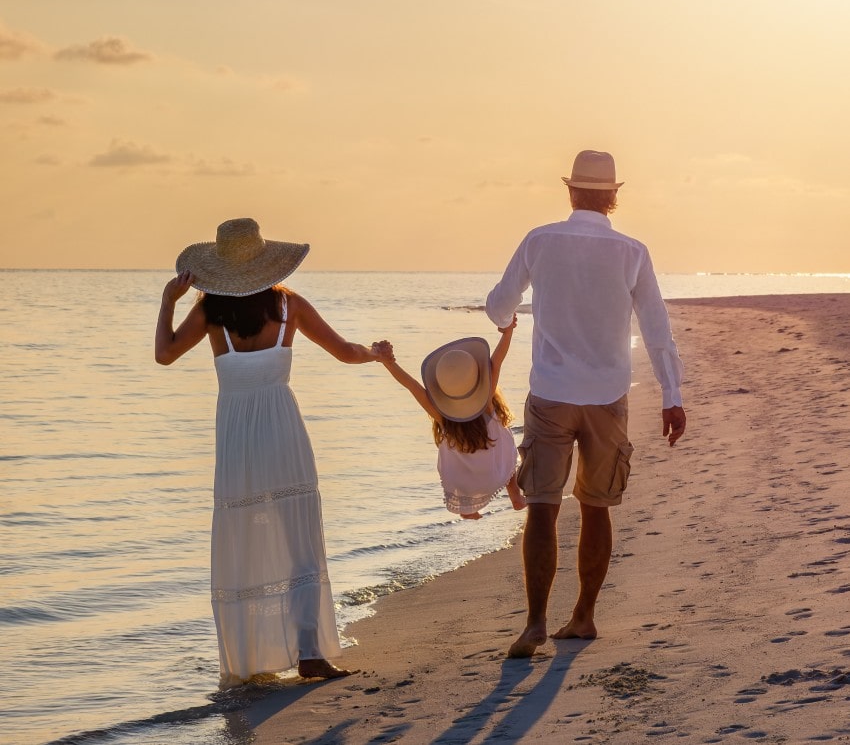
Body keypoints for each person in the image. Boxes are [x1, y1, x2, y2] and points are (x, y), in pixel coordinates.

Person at [155, 217, 387, 688]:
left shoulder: (209, 313)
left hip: (236, 437)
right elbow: (344, 352)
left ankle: (249, 658)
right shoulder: (290, 306)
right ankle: (309, 652)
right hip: (283, 429)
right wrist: (376, 353)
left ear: (220, 269)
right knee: (298, 539)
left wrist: (167, 301)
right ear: (265, 263)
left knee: (244, 535)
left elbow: (164, 354)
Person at [485, 150, 687, 658]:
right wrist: (672, 395)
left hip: (551, 393)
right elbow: (657, 330)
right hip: (607, 396)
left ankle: (534, 624)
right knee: (597, 509)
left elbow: (497, 307)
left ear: (571, 192)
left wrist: (509, 321)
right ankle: (583, 617)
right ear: (613, 197)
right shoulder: (633, 252)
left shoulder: (540, 240)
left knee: (542, 509)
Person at [379, 319, 526, 519]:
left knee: (457, 458)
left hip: (466, 483)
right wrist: (507, 332)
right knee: (505, 447)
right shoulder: (486, 402)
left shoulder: (442, 416)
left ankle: (468, 509)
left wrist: (389, 363)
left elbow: (412, 386)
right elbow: (497, 361)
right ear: (478, 376)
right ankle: (515, 495)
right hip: (496, 473)